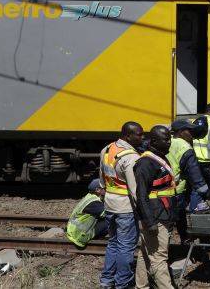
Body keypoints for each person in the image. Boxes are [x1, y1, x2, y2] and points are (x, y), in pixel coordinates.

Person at [99, 122, 143, 289]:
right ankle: (123, 283)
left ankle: (107, 280)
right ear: (127, 136)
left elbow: (102, 180)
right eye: (138, 134)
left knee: (113, 243)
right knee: (126, 246)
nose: (142, 137)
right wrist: (144, 211)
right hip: (126, 207)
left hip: (110, 203)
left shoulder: (107, 149)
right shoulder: (131, 157)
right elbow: (134, 189)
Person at [133, 125, 176, 289]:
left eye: (169, 138)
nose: (169, 142)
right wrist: (149, 222)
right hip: (155, 216)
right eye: (165, 139)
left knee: (145, 253)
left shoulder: (159, 158)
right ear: (153, 141)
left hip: (161, 213)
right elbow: (141, 196)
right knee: (159, 257)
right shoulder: (145, 163)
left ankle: (141, 286)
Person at [167, 118, 210, 242]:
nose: (192, 134)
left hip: (161, 189)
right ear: (181, 132)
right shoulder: (185, 147)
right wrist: (205, 191)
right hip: (176, 189)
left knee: (174, 218)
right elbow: (194, 173)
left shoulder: (166, 141)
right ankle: (182, 243)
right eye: (189, 131)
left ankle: (183, 241)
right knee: (177, 217)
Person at [66, 178, 108, 248]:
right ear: (97, 190)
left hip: (74, 231)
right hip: (80, 234)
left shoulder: (90, 197)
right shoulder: (94, 202)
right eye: (104, 188)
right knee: (110, 220)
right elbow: (107, 214)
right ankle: (97, 237)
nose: (106, 189)